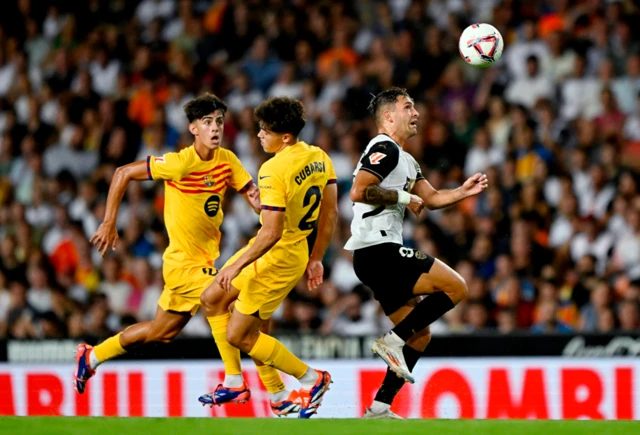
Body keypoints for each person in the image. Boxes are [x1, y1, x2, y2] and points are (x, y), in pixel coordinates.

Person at [74, 93, 264, 394]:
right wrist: (109, 221)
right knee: (228, 294)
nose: (215, 128)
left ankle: (93, 355)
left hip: (203, 263)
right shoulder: (179, 164)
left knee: (159, 333)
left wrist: (260, 203)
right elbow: (122, 173)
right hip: (182, 266)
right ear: (193, 129)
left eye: (219, 122)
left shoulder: (227, 161)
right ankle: (235, 380)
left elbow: (253, 195)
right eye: (207, 122)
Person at [346, 88, 488, 418]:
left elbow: (433, 198)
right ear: (388, 117)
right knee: (457, 287)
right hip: (377, 250)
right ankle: (392, 341)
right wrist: (403, 199)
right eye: (407, 106)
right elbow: (359, 191)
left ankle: (380, 407)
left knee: (420, 336)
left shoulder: (406, 158)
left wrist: (462, 192)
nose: (416, 113)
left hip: (377, 255)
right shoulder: (383, 147)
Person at [198, 97, 338, 418]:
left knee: (240, 334)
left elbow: (271, 232)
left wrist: (236, 264)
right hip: (291, 250)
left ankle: (311, 379)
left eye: (265, 130)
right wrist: (316, 257)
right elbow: (329, 214)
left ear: (285, 137)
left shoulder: (273, 168)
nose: (259, 135)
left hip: (276, 258)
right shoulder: (319, 157)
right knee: (212, 299)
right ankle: (240, 382)